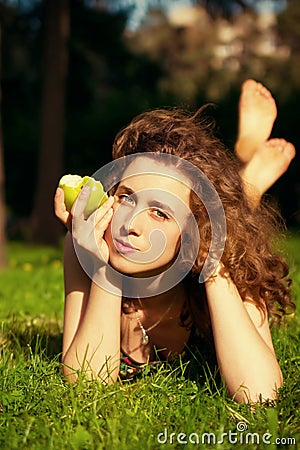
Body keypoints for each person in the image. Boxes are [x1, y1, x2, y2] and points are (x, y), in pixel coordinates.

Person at [54, 79, 296, 404]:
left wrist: (212, 264)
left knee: (234, 220)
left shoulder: (232, 258)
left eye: (160, 213)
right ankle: (246, 177)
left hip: (214, 237)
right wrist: (101, 269)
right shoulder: (88, 240)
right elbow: (86, 385)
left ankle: (247, 186)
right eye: (126, 198)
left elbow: (259, 395)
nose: (130, 225)